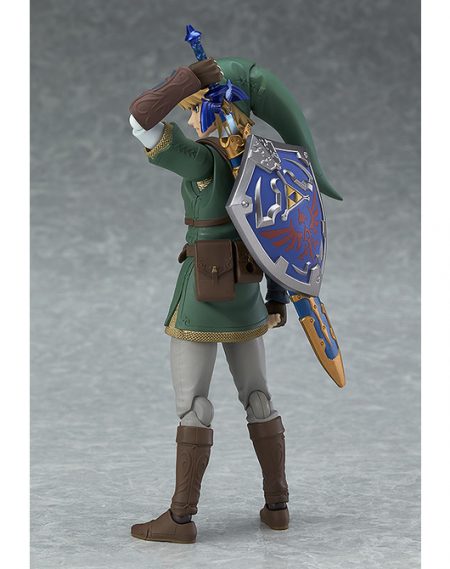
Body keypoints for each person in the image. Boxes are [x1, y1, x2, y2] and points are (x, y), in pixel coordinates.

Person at [128, 56, 340, 544]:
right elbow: (280, 234)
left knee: (194, 406)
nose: (187, 119)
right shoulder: (264, 164)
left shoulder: (204, 161)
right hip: (247, 295)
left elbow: (140, 120)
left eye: (192, 109)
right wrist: (277, 295)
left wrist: (186, 79)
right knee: (258, 397)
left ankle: (181, 518)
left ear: (213, 110)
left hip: (203, 296)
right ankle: (277, 506)